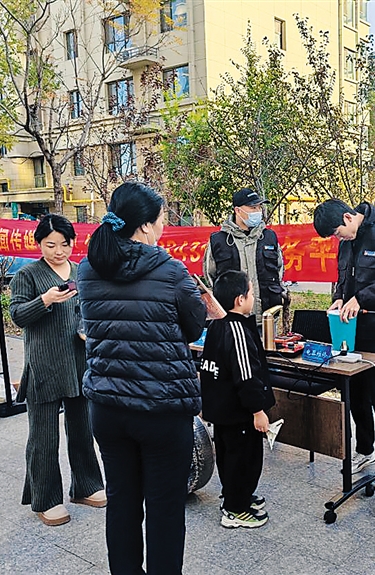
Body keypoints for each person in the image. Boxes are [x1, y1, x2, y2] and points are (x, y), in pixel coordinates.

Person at [77, 182, 206, 575]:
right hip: (161, 409)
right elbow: (194, 325)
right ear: (147, 225)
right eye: (162, 218)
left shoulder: (88, 269)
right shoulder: (170, 270)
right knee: (165, 508)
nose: (164, 225)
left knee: (121, 502)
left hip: (107, 407)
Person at [10, 214, 105, 527]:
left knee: (83, 429)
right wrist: (44, 300)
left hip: (78, 361)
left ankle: (87, 486)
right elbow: (17, 315)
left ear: (73, 242)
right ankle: (46, 499)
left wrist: (88, 330)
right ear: (39, 243)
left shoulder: (80, 272)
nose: (58, 251)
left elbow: (90, 311)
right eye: (50, 245)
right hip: (44, 365)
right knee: (43, 438)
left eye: (64, 244)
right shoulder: (27, 274)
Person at [312, 198, 375, 478]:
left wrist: (361, 298)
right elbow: (343, 278)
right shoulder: (346, 243)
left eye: (337, 232)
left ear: (347, 217)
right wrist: (339, 297)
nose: (338, 238)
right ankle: (366, 451)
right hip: (351, 332)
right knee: (356, 395)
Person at [199, 270, 276, 529]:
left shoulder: (216, 325)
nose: (253, 298)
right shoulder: (237, 329)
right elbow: (246, 375)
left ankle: (236, 496)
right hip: (239, 412)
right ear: (239, 300)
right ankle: (235, 509)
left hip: (222, 411)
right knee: (245, 461)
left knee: (230, 457)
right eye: (251, 293)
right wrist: (258, 410)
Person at [204, 188, 286, 324]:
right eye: (253, 208)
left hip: (266, 317)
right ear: (238, 210)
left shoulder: (269, 237)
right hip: (232, 318)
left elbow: (279, 270)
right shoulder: (218, 240)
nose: (258, 211)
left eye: (259, 207)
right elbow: (210, 275)